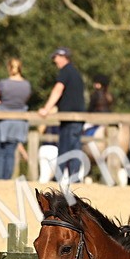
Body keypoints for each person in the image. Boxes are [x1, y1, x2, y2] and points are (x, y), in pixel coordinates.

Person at [37, 47, 86, 184]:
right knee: (74, 147)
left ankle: (59, 177)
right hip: (78, 117)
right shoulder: (76, 73)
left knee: (65, 146)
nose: (55, 61)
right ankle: (74, 178)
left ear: (63, 57)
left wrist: (46, 109)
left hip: (69, 117)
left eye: (56, 58)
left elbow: (58, 90)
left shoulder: (65, 72)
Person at [0, 57, 32, 179]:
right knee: (10, 153)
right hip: (19, 122)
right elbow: (25, 99)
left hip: (3, 121)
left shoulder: (3, 84)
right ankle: (7, 179)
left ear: (9, 68)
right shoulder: (26, 85)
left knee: (0, 152)